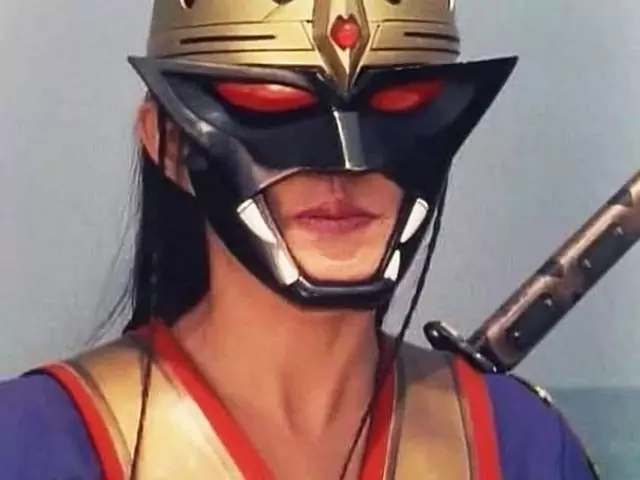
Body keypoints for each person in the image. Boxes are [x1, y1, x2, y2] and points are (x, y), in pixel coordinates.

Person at [0, 0, 598, 479]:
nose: (342, 170)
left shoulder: (519, 446)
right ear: (168, 143)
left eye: (397, 104)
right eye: (272, 109)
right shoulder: (35, 444)